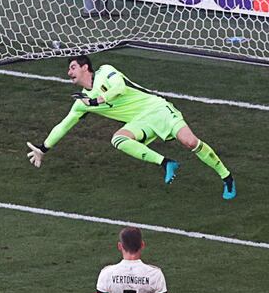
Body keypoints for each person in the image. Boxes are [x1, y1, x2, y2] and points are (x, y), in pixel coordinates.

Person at [27, 55, 236, 200]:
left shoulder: (105, 72)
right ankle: (165, 163)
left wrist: (97, 100)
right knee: (118, 139)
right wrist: (43, 148)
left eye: (72, 67)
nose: (68, 72)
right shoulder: (81, 103)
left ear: (85, 67)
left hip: (157, 108)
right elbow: (63, 126)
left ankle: (226, 176)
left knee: (190, 142)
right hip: (140, 122)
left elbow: (119, 88)